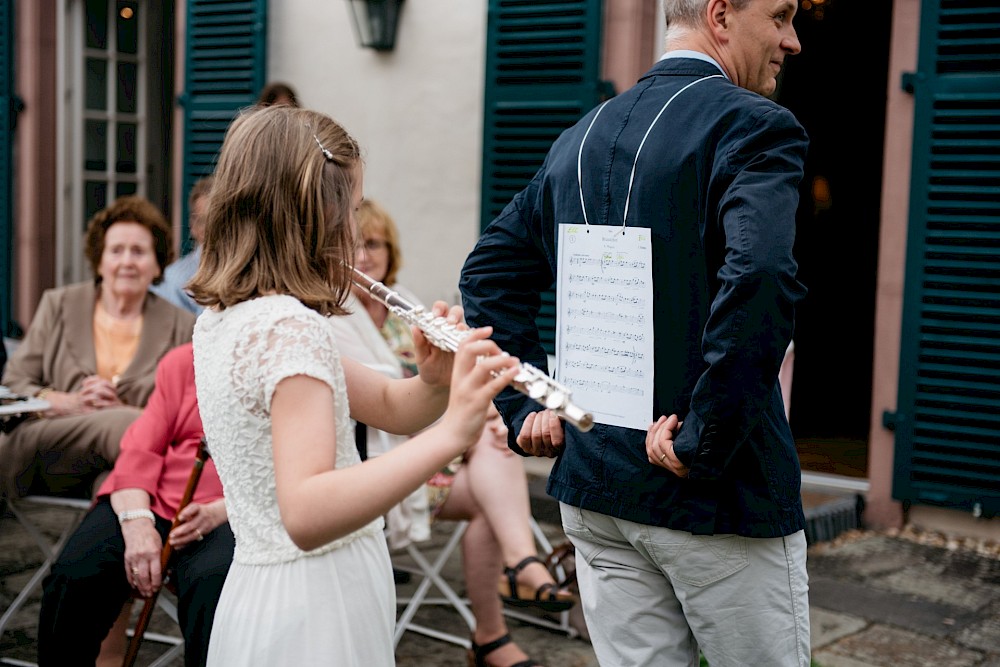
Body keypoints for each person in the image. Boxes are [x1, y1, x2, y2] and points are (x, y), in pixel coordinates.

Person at [460, 1, 811, 665]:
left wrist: (531, 399)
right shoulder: (756, 126)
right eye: (782, 15)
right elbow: (761, 274)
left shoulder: (581, 135)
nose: (793, 41)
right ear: (720, 14)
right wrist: (704, 437)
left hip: (597, 489)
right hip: (717, 497)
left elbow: (487, 274)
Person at [186, 104, 519, 665]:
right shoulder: (288, 328)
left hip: (264, 592)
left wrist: (436, 382)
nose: (356, 229)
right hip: (315, 603)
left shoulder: (227, 318)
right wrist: (453, 433)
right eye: (354, 207)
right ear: (316, 214)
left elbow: (390, 404)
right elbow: (308, 511)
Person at [331, 199, 573, 667]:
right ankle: (517, 580)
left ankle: (495, 625)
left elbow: (450, 377)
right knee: (490, 445)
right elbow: (387, 398)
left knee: (490, 460)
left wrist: (473, 396)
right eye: (357, 245)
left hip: (439, 457)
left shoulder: (405, 301)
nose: (365, 256)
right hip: (382, 460)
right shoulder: (334, 315)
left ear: (391, 249)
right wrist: (469, 407)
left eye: (375, 243)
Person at [37, 342, 233, 667]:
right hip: (153, 496)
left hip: (233, 509)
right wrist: (138, 521)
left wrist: (222, 510)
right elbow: (141, 449)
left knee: (214, 588)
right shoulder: (183, 360)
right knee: (74, 576)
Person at [0, 195, 196, 500]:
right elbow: (13, 385)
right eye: (116, 250)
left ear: (157, 263)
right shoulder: (59, 304)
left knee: (115, 490)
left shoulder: (183, 325)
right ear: (99, 259)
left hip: (125, 460)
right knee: (130, 427)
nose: (127, 261)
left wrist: (125, 409)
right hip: (48, 450)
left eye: (139, 251)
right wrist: (65, 402)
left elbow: (188, 412)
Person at [151, 177, 214, 314]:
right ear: (193, 226)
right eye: (205, 221)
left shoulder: (253, 274)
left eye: (219, 221)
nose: (214, 230)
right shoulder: (173, 280)